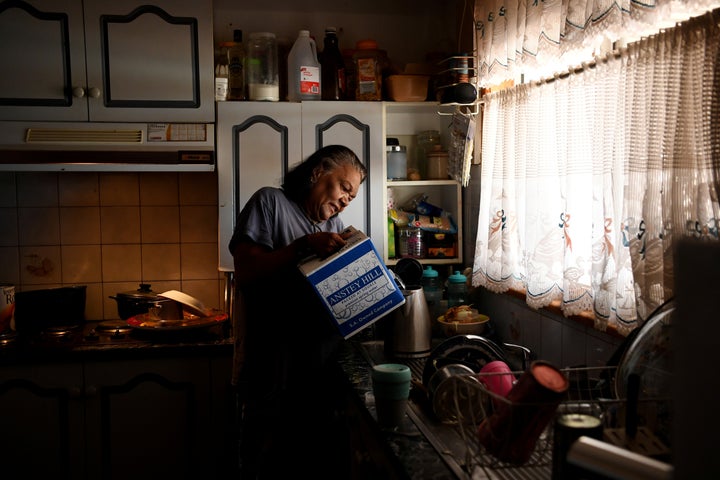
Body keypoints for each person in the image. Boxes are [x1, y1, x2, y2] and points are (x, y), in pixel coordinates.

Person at [229, 144, 367, 479]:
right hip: (272, 362)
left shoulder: (334, 223)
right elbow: (246, 270)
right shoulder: (270, 203)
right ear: (319, 173)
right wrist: (303, 246)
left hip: (318, 364)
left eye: (352, 196)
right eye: (345, 188)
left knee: (311, 461)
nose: (347, 199)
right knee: (267, 460)